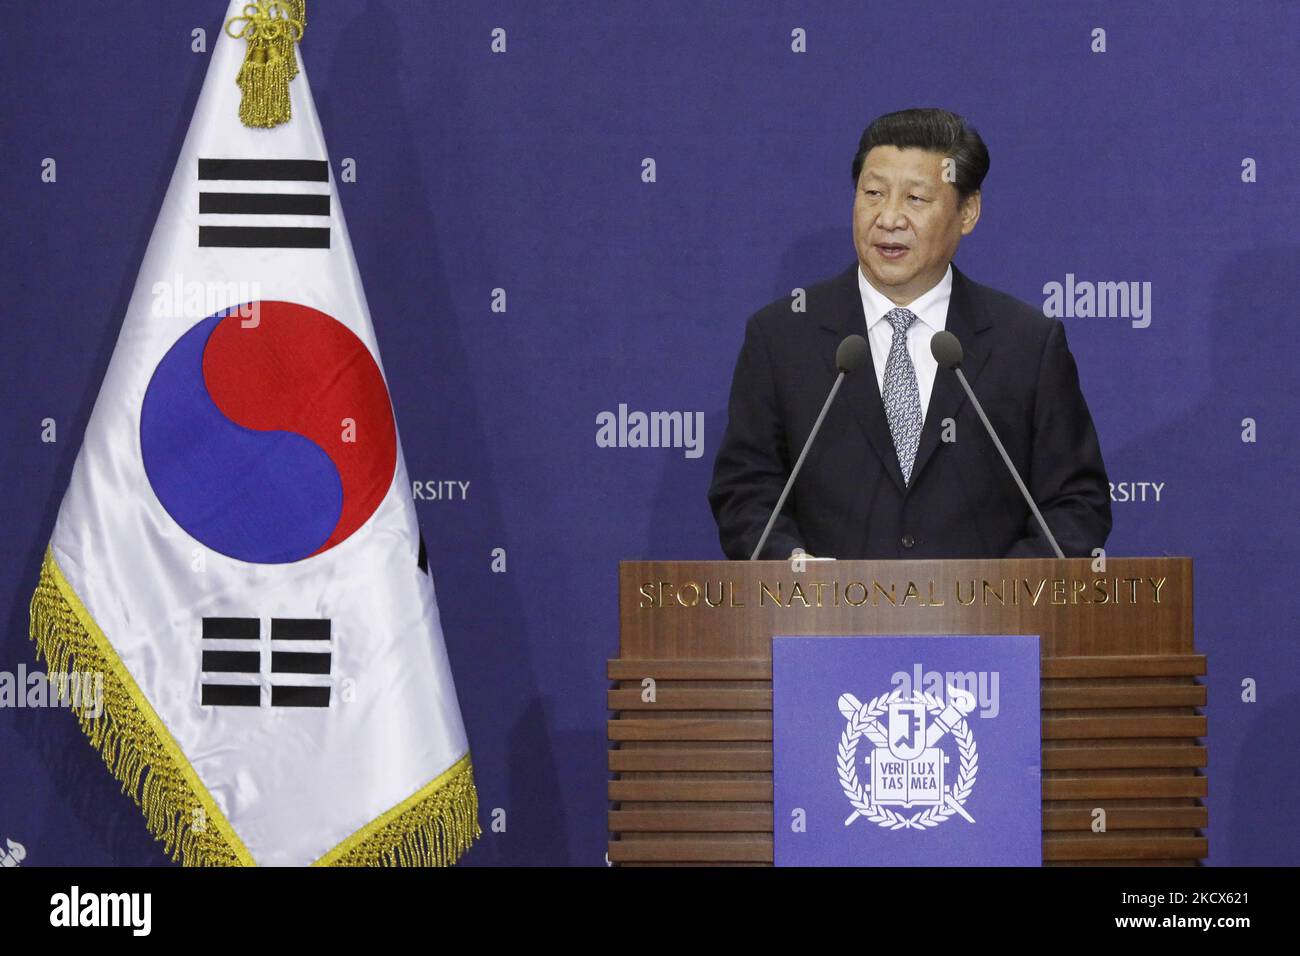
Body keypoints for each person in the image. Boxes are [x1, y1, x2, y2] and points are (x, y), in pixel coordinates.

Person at [708, 108, 1111, 560]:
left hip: (987, 626)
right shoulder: (781, 337)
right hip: (823, 623)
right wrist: (794, 570)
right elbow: (746, 488)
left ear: (968, 212)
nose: (889, 218)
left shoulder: (1027, 343)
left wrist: (1001, 597)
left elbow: (1075, 503)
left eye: (916, 199)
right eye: (874, 193)